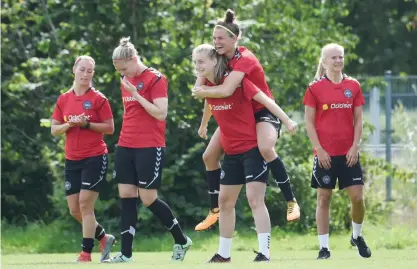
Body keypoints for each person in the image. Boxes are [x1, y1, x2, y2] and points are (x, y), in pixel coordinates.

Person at [192, 9, 300, 231]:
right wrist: (203, 122)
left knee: (265, 147)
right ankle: (214, 209)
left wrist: (288, 121)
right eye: (214, 38)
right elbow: (208, 90)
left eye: (221, 38)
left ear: (234, 38)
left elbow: (224, 90)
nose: (216, 42)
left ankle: (291, 201)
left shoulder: (245, 59)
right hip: (237, 113)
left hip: (261, 111)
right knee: (209, 156)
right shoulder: (217, 58)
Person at [103, 37, 192, 263]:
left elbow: (160, 113)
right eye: (119, 70)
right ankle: (125, 254)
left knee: (148, 198)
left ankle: (181, 240)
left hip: (150, 146)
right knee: (126, 196)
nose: (123, 73)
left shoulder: (155, 79)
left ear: (133, 59)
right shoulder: (127, 78)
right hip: (126, 144)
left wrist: (136, 94)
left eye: (124, 68)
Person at [303, 43, 372, 259]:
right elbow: (309, 122)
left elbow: (359, 119)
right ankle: (324, 248)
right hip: (325, 154)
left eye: (340, 57)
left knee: (358, 198)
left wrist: (354, 146)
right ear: (324, 62)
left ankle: (357, 236)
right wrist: (319, 150)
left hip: (348, 152)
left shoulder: (353, 85)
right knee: (324, 199)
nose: (338, 61)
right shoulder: (314, 88)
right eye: (333, 58)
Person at [51, 55, 116, 262]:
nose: (86, 74)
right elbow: (54, 130)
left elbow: (110, 128)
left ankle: (85, 254)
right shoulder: (63, 99)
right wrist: (70, 124)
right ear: (74, 70)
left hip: (95, 157)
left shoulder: (99, 99)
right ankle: (104, 237)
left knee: (85, 204)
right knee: (74, 209)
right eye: (82, 70)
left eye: (90, 71)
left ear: (93, 74)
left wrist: (86, 124)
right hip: (72, 159)